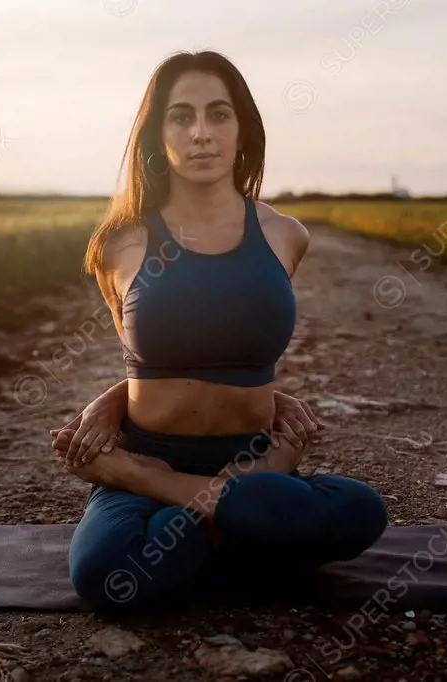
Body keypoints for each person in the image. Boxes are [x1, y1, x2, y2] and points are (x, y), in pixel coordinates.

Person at [48, 50, 388, 611]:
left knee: (361, 510)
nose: (201, 133)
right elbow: (147, 358)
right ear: (157, 135)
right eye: (181, 116)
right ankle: (237, 535)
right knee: (104, 573)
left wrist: (272, 433)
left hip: (256, 467)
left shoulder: (284, 235)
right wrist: (114, 417)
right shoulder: (121, 243)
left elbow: (232, 345)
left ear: (242, 128)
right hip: (150, 459)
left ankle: (191, 515)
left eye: (219, 114)